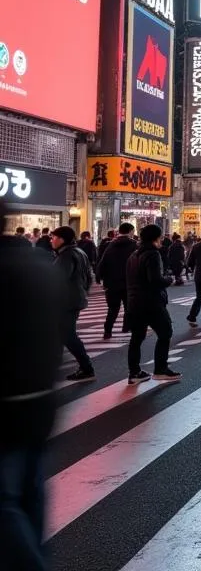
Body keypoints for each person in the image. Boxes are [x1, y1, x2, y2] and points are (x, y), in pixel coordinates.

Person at [0, 202, 63, 571]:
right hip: (40, 399)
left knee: (5, 500)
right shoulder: (39, 266)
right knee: (29, 490)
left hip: (6, 402)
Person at [125, 224, 180, 385]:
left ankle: (134, 372)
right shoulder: (152, 254)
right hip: (151, 302)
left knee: (136, 338)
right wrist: (168, 279)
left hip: (134, 302)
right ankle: (160, 369)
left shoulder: (134, 255)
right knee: (165, 332)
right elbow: (155, 280)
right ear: (156, 237)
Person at [52, 227, 95, 383]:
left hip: (66, 302)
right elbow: (89, 277)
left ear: (62, 239)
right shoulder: (78, 252)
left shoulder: (66, 256)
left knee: (68, 335)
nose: (52, 241)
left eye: (54, 238)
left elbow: (56, 280)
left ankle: (86, 367)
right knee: (61, 333)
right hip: (74, 299)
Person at [95, 221, 137, 339]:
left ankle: (108, 330)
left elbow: (103, 262)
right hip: (128, 282)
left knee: (113, 308)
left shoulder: (111, 245)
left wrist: (99, 277)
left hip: (112, 283)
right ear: (130, 232)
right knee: (129, 306)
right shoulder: (134, 245)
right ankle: (126, 327)